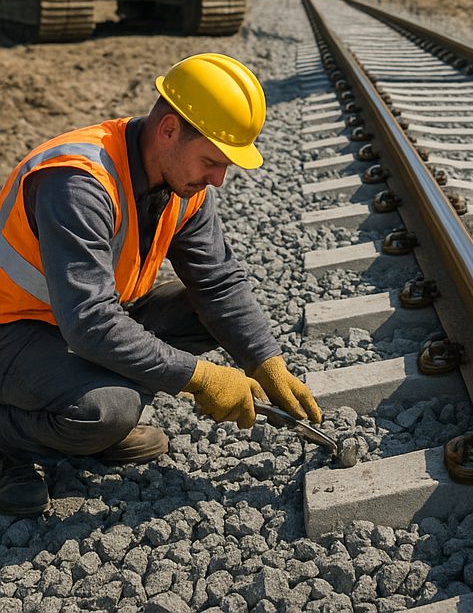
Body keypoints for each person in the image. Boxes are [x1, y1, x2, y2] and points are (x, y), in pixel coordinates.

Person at [0, 53, 321, 516]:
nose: (219, 179)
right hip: (14, 327)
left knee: (213, 318)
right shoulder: (78, 183)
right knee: (107, 410)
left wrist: (264, 361)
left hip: (70, 321)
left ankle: (76, 419)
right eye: (212, 161)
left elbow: (218, 282)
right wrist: (201, 377)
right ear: (169, 129)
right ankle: (17, 442)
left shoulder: (181, 183)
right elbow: (90, 323)